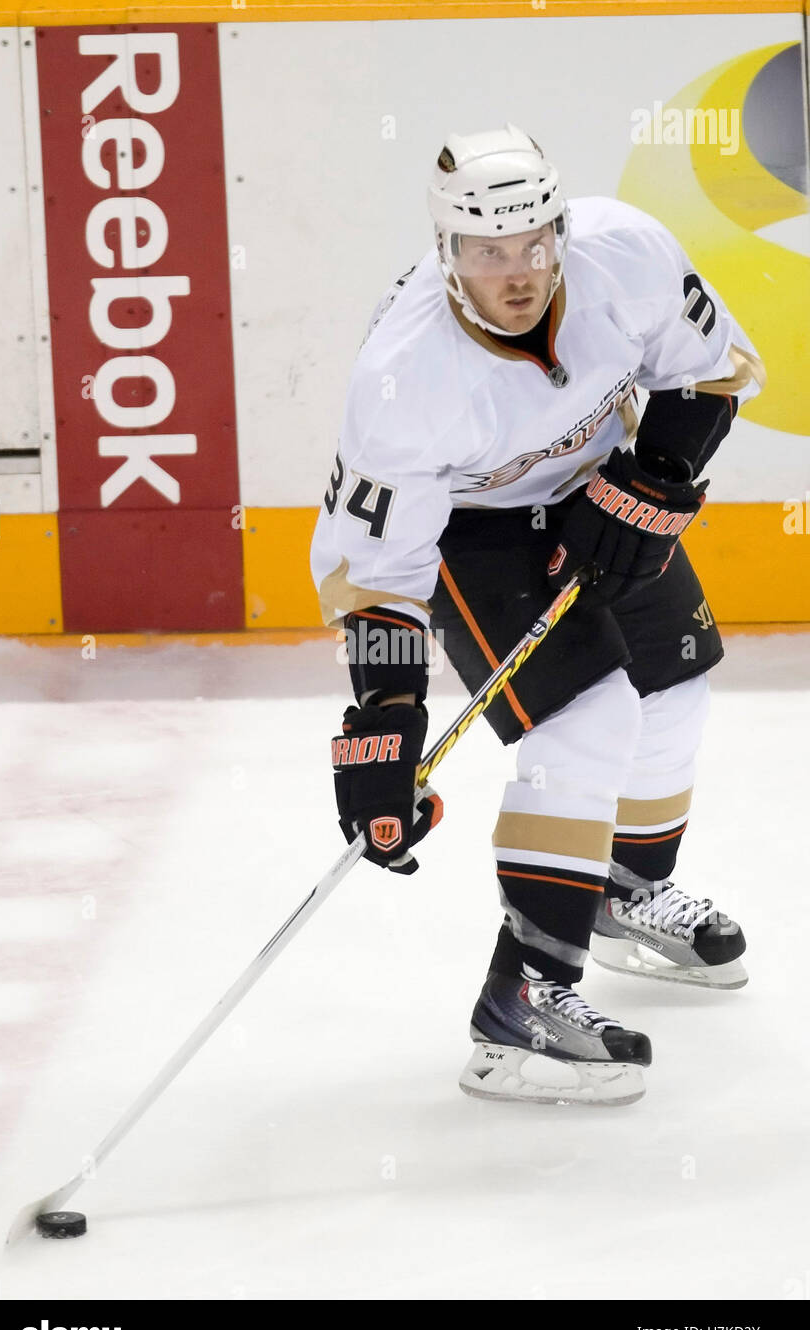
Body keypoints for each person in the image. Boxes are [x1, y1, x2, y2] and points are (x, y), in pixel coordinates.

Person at [311, 124, 765, 1106]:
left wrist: (656, 478)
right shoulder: (402, 379)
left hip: (600, 489)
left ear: (561, 227)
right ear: (448, 254)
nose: (516, 273)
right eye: (487, 252)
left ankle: (622, 889)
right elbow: (375, 571)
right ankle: (524, 999)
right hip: (472, 534)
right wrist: (384, 717)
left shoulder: (626, 254)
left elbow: (714, 369)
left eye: (532, 243)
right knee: (591, 722)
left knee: (677, 684)